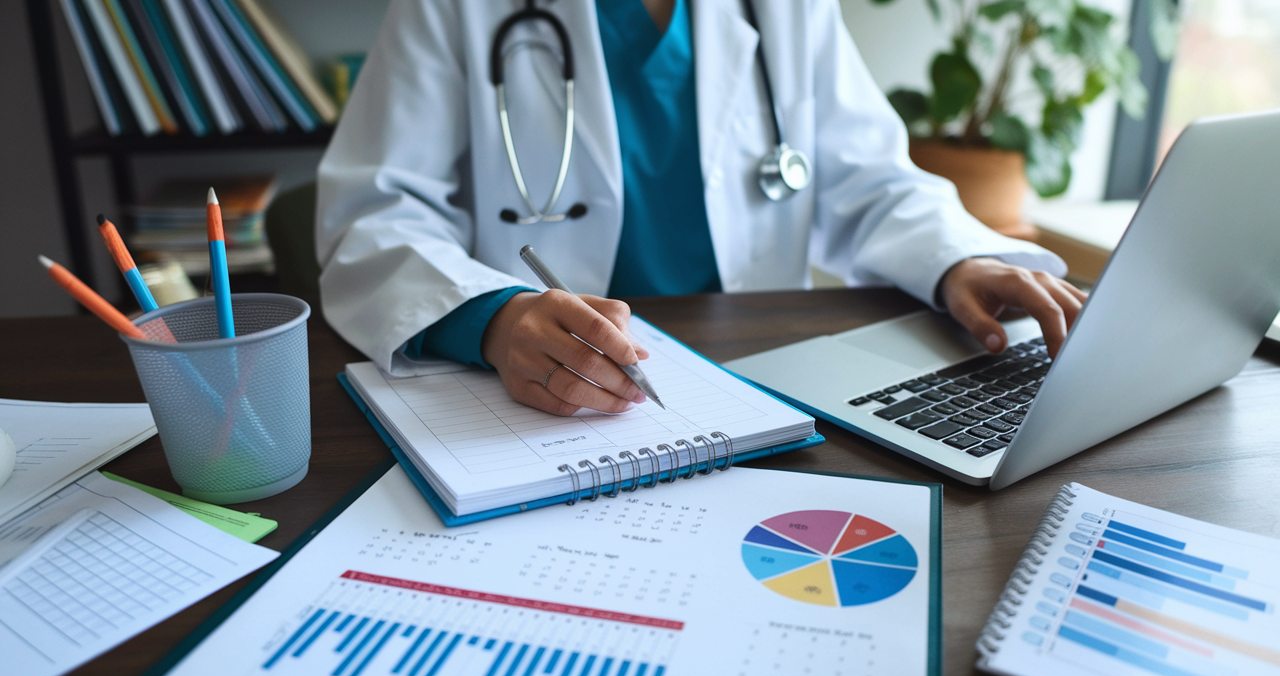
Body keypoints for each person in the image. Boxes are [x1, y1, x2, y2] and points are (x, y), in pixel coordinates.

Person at [316, 0, 1085, 417]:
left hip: (758, 381)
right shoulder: (452, 10)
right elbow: (374, 212)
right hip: (540, 397)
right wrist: (491, 318)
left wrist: (957, 259)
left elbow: (867, 180)